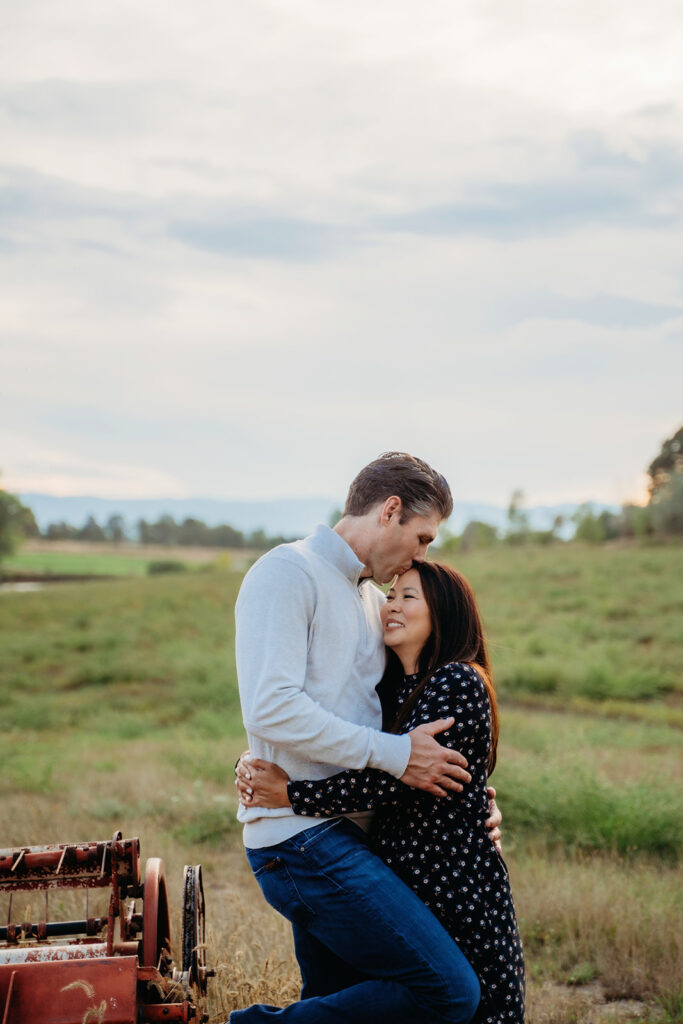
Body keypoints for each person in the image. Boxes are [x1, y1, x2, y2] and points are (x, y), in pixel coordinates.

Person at [230, 452, 500, 1024]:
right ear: (390, 511)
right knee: (448, 991)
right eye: (422, 537)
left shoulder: (375, 601)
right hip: (302, 839)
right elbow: (271, 706)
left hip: (360, 836)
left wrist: (474, 802)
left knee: (342, 1006)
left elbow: (402, 713)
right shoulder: (287, 572)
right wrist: (397, 757)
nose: (423, 556)